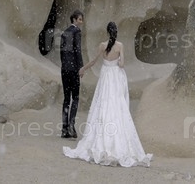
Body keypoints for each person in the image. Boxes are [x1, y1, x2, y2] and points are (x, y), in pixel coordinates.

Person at [63, 22, 152, 167]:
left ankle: (100, 138)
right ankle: (117, 141)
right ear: (116, 32)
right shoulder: (120, 46)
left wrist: (83, 69)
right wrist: (118, 60)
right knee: (116, 105)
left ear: (107, 32)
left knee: (102, 103)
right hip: (115, 77)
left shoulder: (102, 45)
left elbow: (94, 61)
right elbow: (122, 65)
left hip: (105, 77)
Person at [60, 10, 84, 138]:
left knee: (66, 99)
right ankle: (71, 126)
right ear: (74, 19)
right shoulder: (77, 32)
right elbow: (78, 50)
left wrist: (65, 65)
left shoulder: (64, 32)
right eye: (80, 19)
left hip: (65, 69)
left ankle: (64, 129)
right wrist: (81, 67)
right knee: (75, 97)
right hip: (74, 69)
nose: (81, 22)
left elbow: (62, 52)